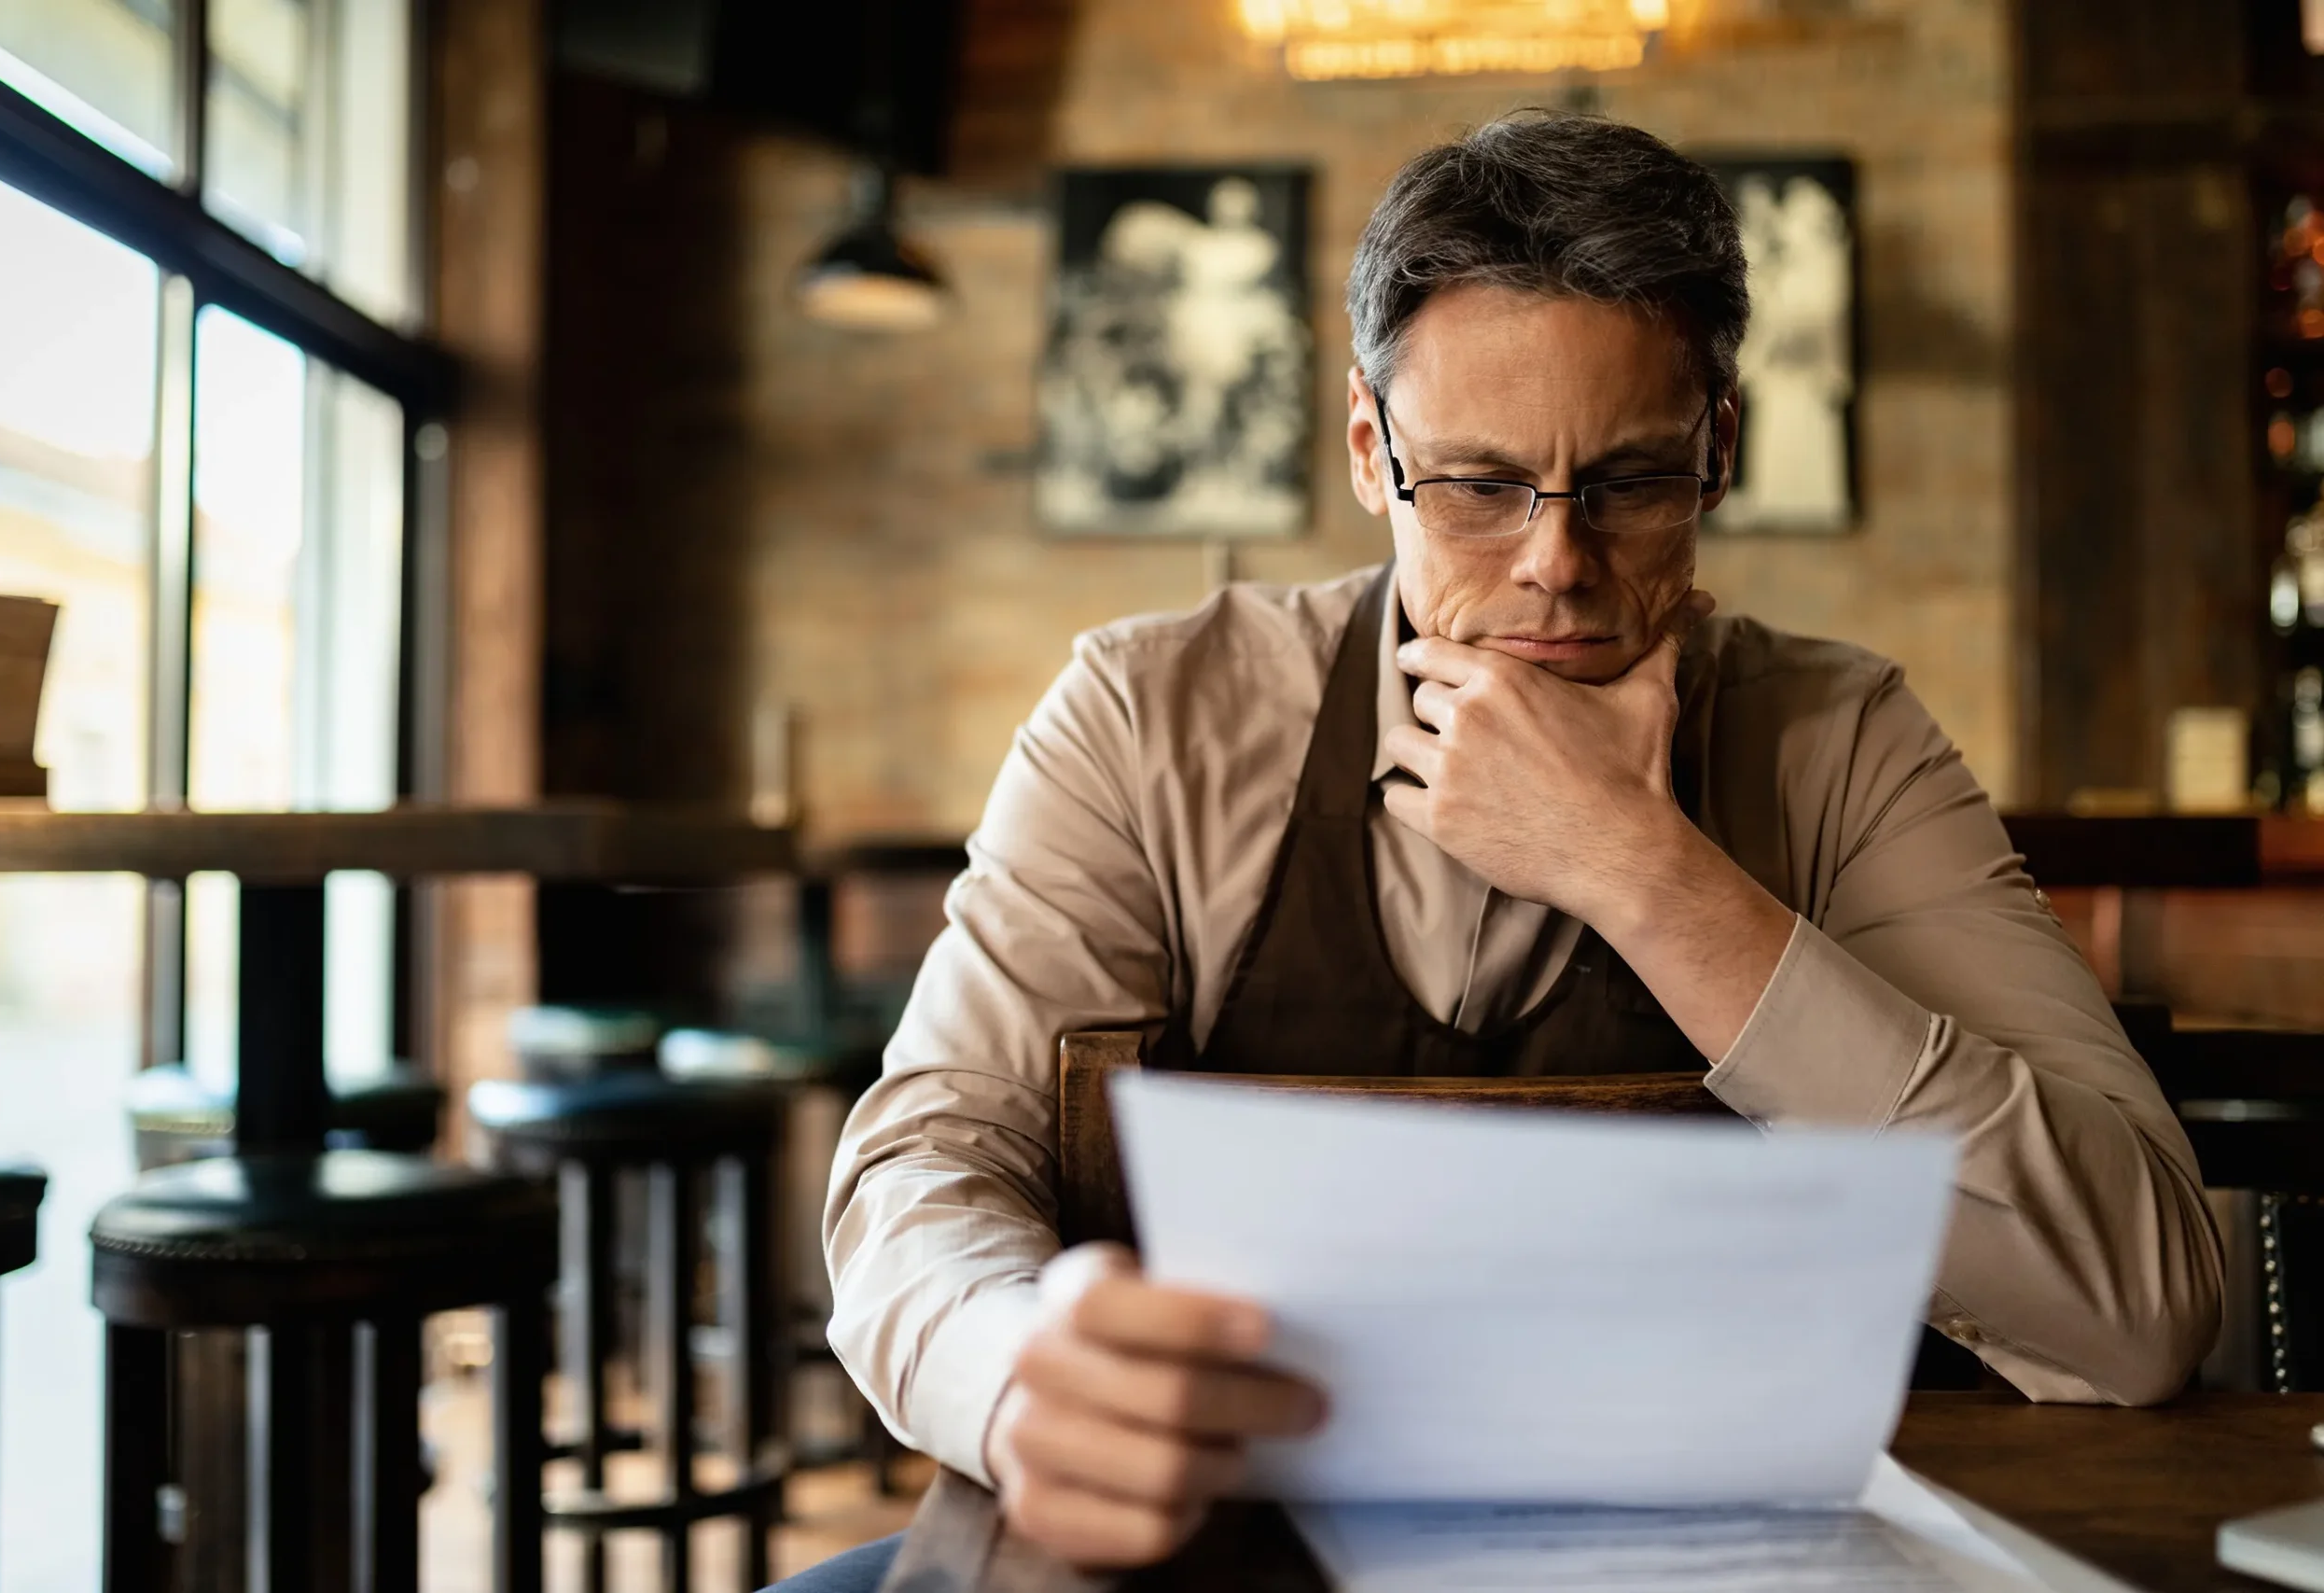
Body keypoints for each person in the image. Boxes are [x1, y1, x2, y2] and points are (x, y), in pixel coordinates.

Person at [770, 112, 2222, 1590]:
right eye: (1473, 486)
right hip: (1224, 1548)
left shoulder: (1841, 742)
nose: (1555, 561)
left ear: (1720, 447)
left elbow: (2140, 1307)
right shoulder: (1151, 715)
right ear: (1365, 445)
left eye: (1634, 480)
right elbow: (924, 1166)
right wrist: (1017, 1368)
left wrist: (1644, 874)